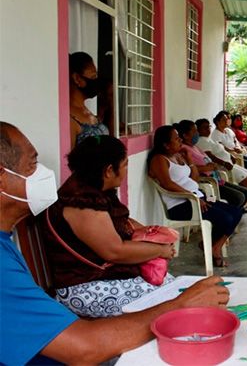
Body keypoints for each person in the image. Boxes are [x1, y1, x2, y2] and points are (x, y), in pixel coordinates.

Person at [0, 122, 229, 364]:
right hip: (87, 294)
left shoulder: (7, 241)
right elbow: (83, 348)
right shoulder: (80, 202)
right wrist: (181, 306)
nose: (44, 174)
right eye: (33, 165)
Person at [45, 135, 176, 317]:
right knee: (171, 301)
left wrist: (154, 236)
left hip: (106, 276)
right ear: (108, 171)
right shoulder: (82, 204)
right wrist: (159, 251)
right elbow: (114, 251)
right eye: (125, 165)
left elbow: (123, 221)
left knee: (174, 289)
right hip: (84, 288)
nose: (126, 170)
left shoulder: (94, 188)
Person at [148, 125, 243, 267]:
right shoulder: (159, 159)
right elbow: (167, 184)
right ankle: (214, 250)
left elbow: (194, 179)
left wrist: (190, 160)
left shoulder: (178, 156)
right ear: (166, 145)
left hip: (197, 199)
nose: (180, 140)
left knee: (236, 212)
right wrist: (193, 196)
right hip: (181, 205)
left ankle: (211, 246)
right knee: (226, 219)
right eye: (176, 138)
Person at [175, 120, 247, 209]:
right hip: (206, 181)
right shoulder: (184, 150)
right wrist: (207, 167)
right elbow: (188, 168)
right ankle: (226, 210)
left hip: (216, 178)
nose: (197, 133)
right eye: (194, 131)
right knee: (238, 197)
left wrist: (211, 164)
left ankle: (232, 211)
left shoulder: (193, 146)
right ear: (185, 135)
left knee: (245, 192)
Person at [195, 118, 247, 190]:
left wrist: (230, 156)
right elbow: (210, 156)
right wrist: (224, 163)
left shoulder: (208, 138)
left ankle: (246, 194)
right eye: (204, 127)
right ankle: (243, 194)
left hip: (228, 162)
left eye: (208, 126)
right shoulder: (201, 141)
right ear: (198, 130)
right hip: (223, 167)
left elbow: (222, 149)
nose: (208, 129)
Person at [69, 52, 109, 148]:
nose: (96, 82)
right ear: (77, 78)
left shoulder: (86, 111)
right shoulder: (70, 117)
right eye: (93, 77)